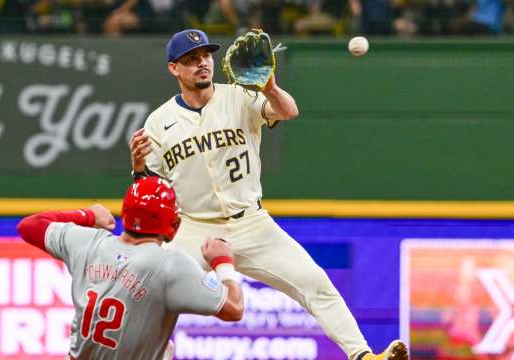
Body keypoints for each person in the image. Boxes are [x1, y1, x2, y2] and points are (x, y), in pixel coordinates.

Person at [129, 28, 409, 360]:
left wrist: (272, 89)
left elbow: (288, 111)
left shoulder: (238, 95)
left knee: (314, 281)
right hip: (195, 227)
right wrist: (137, 163)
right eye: (191, 60)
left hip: (252, 223)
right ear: (174, 68)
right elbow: (149, 188)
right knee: (151, 292)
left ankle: (362, 355)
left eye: (205, 55)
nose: (202, 63)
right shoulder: (159, 122)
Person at [17, 176, 244, 359]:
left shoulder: (87, 242)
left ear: (125, 213)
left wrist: (87, 215)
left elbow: (30, 226)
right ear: (173, 226)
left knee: (163, 349)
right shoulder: (171, 265)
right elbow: (234, 308)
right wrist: (223, 262)